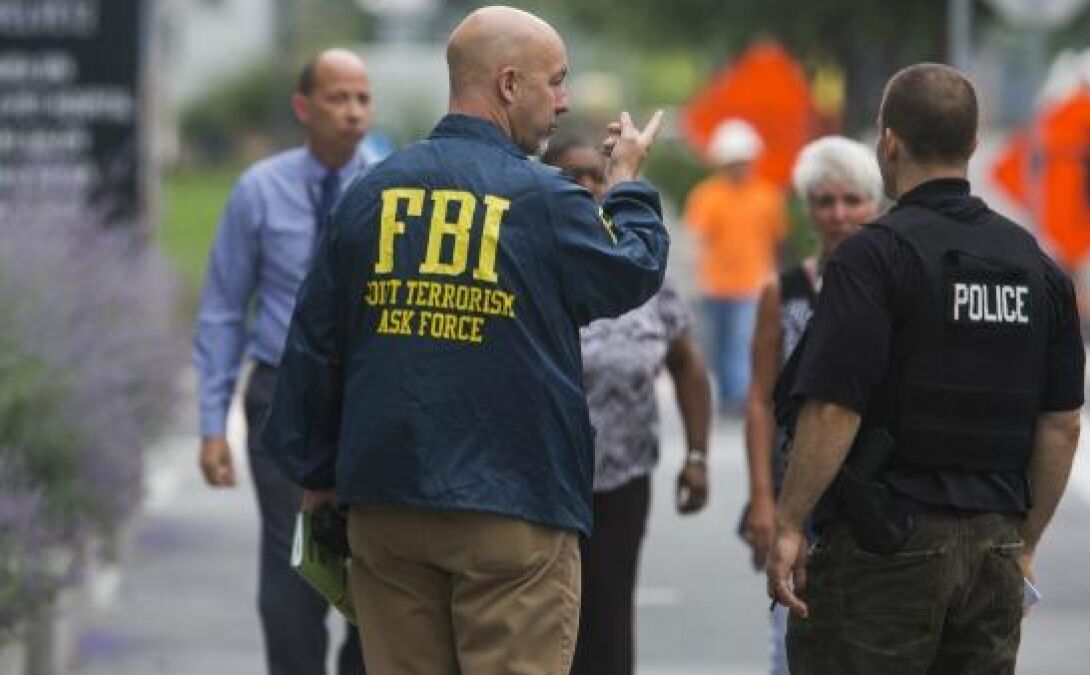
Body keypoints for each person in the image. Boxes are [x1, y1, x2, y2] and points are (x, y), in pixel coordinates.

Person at [262, 6, 669, 675]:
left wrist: (317, 475)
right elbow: (632, 268)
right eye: (556, 81)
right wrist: (626, 182)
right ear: (509, 84)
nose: (565, 101)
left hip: (387, 504)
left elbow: (314, 348)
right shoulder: (545, 200)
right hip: (514, 506)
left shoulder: (369, 194)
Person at [766, 63, 1085, 674]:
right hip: (993, 547)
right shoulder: (1037, 267)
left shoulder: (872, 257)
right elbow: (1062, 425)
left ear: (889, 142)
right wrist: (1024, 543)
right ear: (973, 143)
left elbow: (833, 408)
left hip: (884, 547)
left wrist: (788, 524)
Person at [192, 49, 371, 675]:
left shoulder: (388, 190)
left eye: (362, 99)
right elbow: (223, 309)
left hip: (368, 399)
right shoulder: (258, 191)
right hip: (283, 397)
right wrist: (211, 424)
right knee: (295, 566)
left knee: (379, 569)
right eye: (337, 98)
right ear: (303, 107)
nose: (353, 112)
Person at [542, 137, 713, 675]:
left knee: (608, 613)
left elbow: (687, 366)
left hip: (622, 475)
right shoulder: (533, 259)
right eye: (572, 176)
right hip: (541, 479)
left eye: (598, 175)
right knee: (543, 616)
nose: (588, 186)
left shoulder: (642, 267)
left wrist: (697, 456)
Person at [741, 135, 882, 675]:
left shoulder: (891, 289)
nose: (839, 214)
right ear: (808, 208)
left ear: (874, 204)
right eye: (825, 201)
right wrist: (764, 500)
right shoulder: (783, 291)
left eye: (852, 200)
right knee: (792, 644)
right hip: (795, 491)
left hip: (871, 498)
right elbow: (760, 398)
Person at [683, 118, 788, 412]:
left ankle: (737, 397)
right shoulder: (707, 195)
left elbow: (778, 240)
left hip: (753, 284)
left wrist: (776, 277)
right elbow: (697, 240)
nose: (739, 167)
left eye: (743, 161)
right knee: (717, 345)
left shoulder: (767, 195)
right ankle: (729, 390)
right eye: (733, 162)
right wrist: (696, 278)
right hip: (714, 284)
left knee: (741, 342)